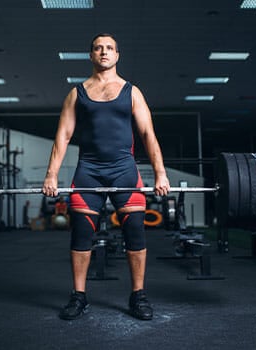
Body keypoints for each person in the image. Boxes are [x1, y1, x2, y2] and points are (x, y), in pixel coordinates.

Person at [42, 33, 170, 321]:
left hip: (124, 168)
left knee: (135, 230)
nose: (104, 52)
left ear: (117, 55)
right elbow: (63, 135)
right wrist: (51, 176)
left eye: (109, 48)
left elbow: (148, 134)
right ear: (91, 56)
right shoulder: (77, 93)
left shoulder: (131, 92)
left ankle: (138, 295)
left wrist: (160, 173)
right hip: (88, 169)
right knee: (82, 233)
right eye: (98, 48)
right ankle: (79, 296)